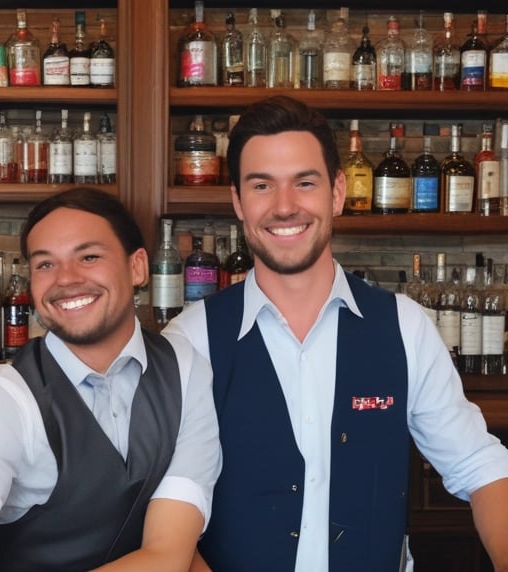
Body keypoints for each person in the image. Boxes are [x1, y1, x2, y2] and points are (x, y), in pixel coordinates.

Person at [165, 95, 508, 571]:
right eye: (262, 185)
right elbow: (168, 518)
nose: (285, 206)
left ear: (337, 192)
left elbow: (480, 466)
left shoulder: (405, 326)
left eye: (305, 183)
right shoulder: (190, 341)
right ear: (238, 202)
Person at [0, 187, 220, 571]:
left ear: (137, 267)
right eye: (46, 264)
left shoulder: (184, 368)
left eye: (89, 257)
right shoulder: (5, 395)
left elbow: (169, 552)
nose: (65, 278)